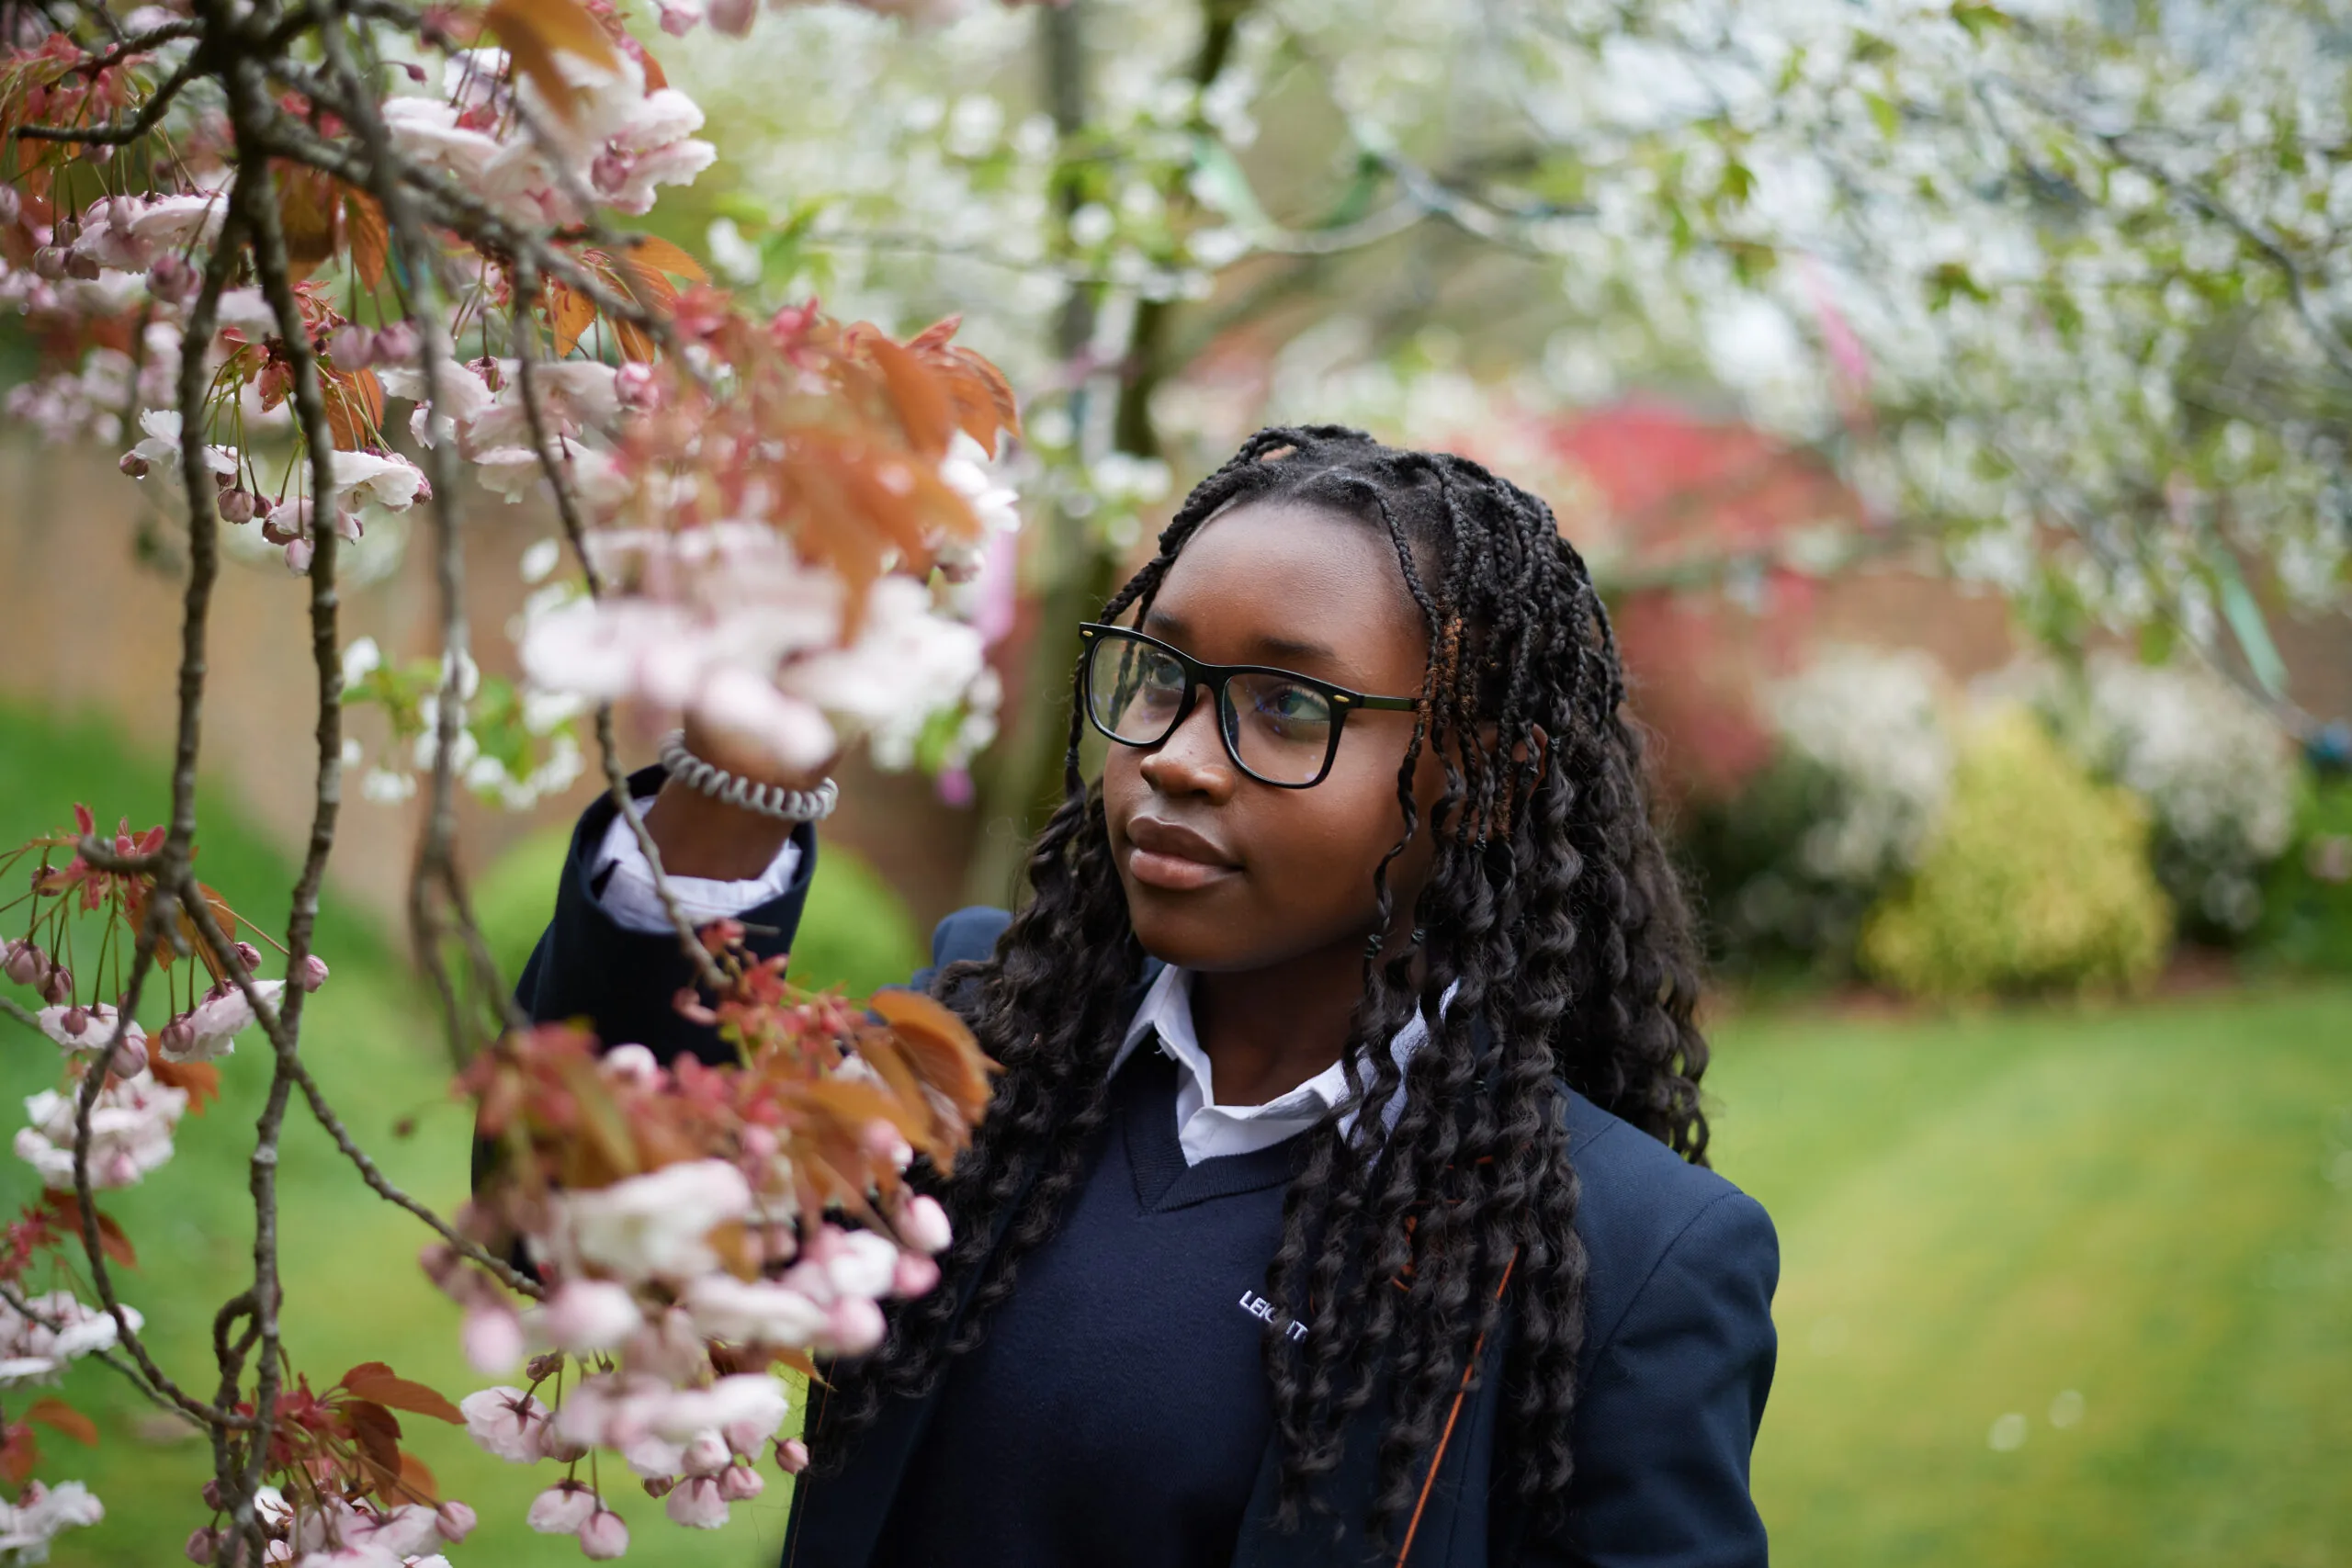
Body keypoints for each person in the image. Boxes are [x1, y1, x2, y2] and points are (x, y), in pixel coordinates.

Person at [515, 426, 1780, 1568]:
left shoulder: (1624, 1257)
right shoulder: (979, 1041)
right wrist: (738, 778)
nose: (1172, 758)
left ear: (1488, 783)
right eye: (1160, 678)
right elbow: (586, 1219)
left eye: (1290, 707)